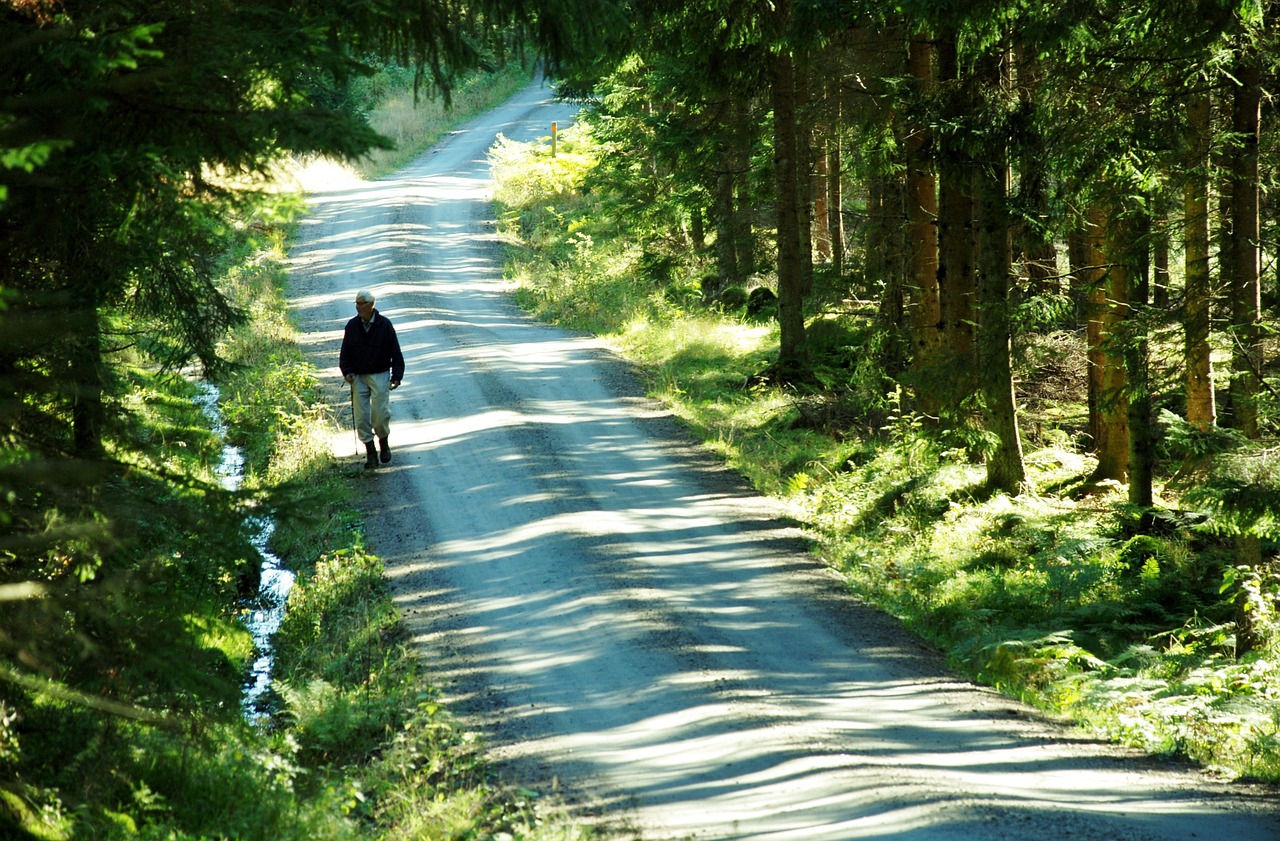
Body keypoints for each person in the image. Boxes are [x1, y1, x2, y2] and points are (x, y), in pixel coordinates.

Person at [339, 289, 405, 469]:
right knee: (361, 418)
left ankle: (384, 445)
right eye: (356, 303)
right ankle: (370, 453)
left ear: (371, 305)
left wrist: (397, 376)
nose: (357, 307)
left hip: (380, 374)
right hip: (358, 377)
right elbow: (344, 354)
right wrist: (347, 372)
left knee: (380, 414)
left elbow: (396, 352)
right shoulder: (352, 326)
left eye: (360, 303)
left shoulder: (384, 325)